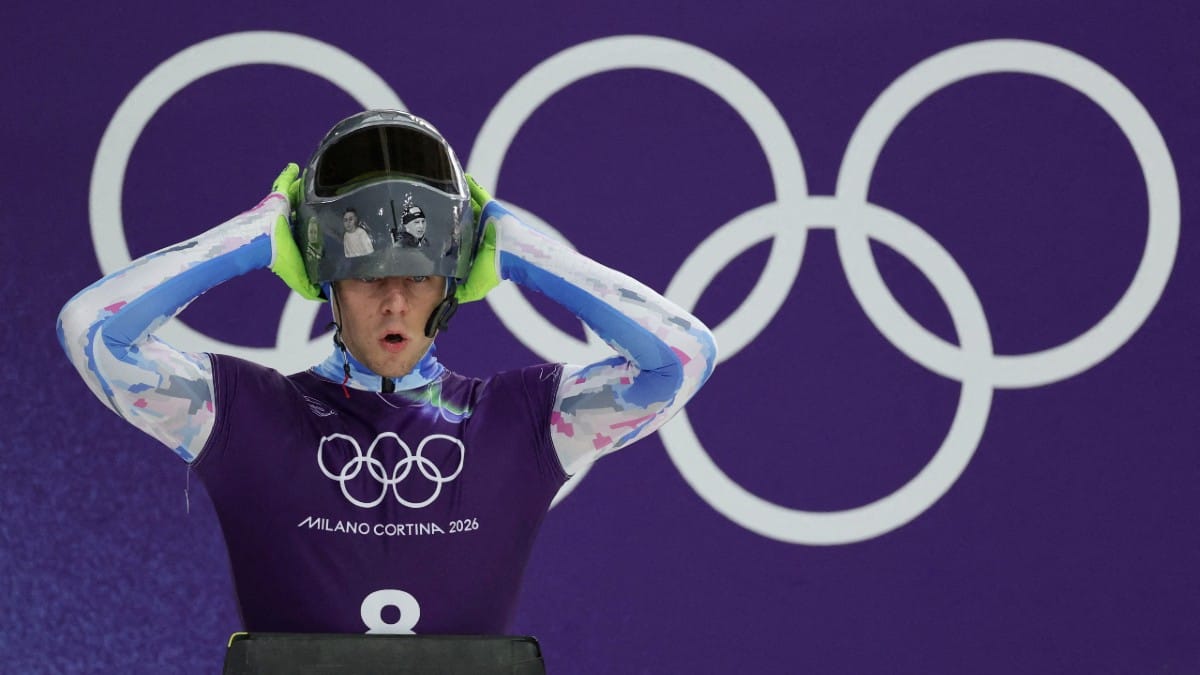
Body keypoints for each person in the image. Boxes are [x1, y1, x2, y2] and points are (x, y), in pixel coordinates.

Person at [57, 109, 717, 636]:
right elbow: (92, 330)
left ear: (453, 282)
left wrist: (521, 249)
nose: (396, 302)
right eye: (369, 275)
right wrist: (254, 236)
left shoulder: (518, 421)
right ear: (328, 281)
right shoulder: (246, 414)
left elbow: (681, 357)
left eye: (421, 276)